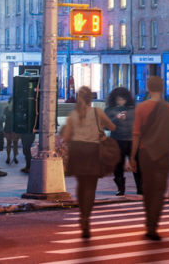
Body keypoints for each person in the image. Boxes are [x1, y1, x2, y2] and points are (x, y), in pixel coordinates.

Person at [128, 73, 169, 241]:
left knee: (148, 189)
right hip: (163, 153)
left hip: (145, 153)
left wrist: (132, 157)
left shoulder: (141, 108)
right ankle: (153, 223)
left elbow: (136, 134)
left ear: (148, 89)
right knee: (159, 189)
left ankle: (149, 221)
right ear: (162, 89)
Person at [61, 86, 115, 239]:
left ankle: (82, 214)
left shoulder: (73, 115)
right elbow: (112, 126)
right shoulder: (97, 112)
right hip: (92, 150)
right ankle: (87, 217)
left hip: (77, 150)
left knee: (81, 184)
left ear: (78, 98)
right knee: (91, 186)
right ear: (91, 99)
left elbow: (65, 138)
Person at [104, 87, 137, 196]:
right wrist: (116, 119)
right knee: (118, 166)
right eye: (118, 100)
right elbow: (106, 127)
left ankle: (140, 188)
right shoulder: (109, 110)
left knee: (137, 165)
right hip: (117, 140)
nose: (121, 102)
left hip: (132, 140)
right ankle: (120, 188)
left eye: (123, 99)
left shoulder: (134, 110)